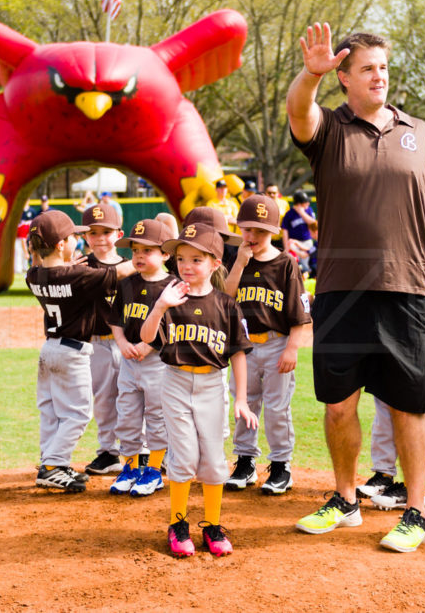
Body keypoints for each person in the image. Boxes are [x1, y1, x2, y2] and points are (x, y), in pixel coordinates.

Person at [287, 23, 425, 553]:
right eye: (367, 68)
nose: (379, 75)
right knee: (339, 404)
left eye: (383, 67)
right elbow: (299, 112)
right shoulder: (328, 129)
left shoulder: (419, 133)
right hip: (341, 290)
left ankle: (416, 510)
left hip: (407, 287)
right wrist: (308, 75)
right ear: (344, 78)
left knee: (410, 406)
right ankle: (345, 499)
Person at [140, 223, 259, 557]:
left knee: (213, 459)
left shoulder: (225, 304)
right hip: (175, 382)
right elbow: (148, 337)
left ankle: (212, 525)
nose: (187, 266)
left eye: (196, 259)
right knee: (185, 457)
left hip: (211, 385)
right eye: (181, 258)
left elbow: (237, 352)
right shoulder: (169, 297)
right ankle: (178, 524)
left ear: (215, 264)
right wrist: (161, 305)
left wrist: (242, 399)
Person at [25, 209, 134, 493]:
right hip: (72, 352)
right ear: (61, 245)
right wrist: (154, 257)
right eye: (74, 236)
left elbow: (49, 266)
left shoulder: (33, 275)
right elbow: (121, 271)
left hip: (48, 349)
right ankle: (53, 465)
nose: (78, 239)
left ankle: (49, 461)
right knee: (78, 414)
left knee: (51, 411)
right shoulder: (78, 275)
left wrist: (65, 263)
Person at [224, 195, 312, 495]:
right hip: (244, 348)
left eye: (260, 231)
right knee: (244, 404)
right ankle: (245, 461)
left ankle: (280, 465)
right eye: (248, 229)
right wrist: (239, 263)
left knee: (277, 408)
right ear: (239, 228)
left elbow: (301, 313)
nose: (252, 237)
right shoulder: (235, 260)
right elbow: (224, 298)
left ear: (273, 232)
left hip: (277, 344)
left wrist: (292, 348)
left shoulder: (285, 263)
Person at [107, 219, 175, 497]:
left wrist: (149, 347)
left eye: (148, 251)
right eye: (135, 250)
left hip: (157, 363)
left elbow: (176, 327)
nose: (139, 256)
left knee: (157, 416)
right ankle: (131, 467)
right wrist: (122, 342)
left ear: (165, 254)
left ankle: (154, 471)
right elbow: (115, 319)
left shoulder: (173, 286)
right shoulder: (128, 284)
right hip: (128, 361)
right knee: (127, 416)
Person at [80, 204, 127, 476]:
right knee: (104, 400)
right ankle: (108, 452)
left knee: (134, 398)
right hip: (95, 342)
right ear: (85, 236)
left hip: (129, 345)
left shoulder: (130, 268)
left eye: (106, 232)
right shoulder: (82, 266)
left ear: (118, 234)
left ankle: (139, 451)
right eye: (93, 232)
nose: (99, 238)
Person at [281, 191, 317, 274]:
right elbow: (285, 232)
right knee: (295, 266)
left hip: (307, 242)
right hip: (293, 243)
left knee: (307, 265)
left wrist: (302, 213)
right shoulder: (289, 214)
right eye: (305, 202)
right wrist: (286, 248)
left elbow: (313, 224)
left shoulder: (308, 210)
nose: (308, 203)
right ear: (299, 203)